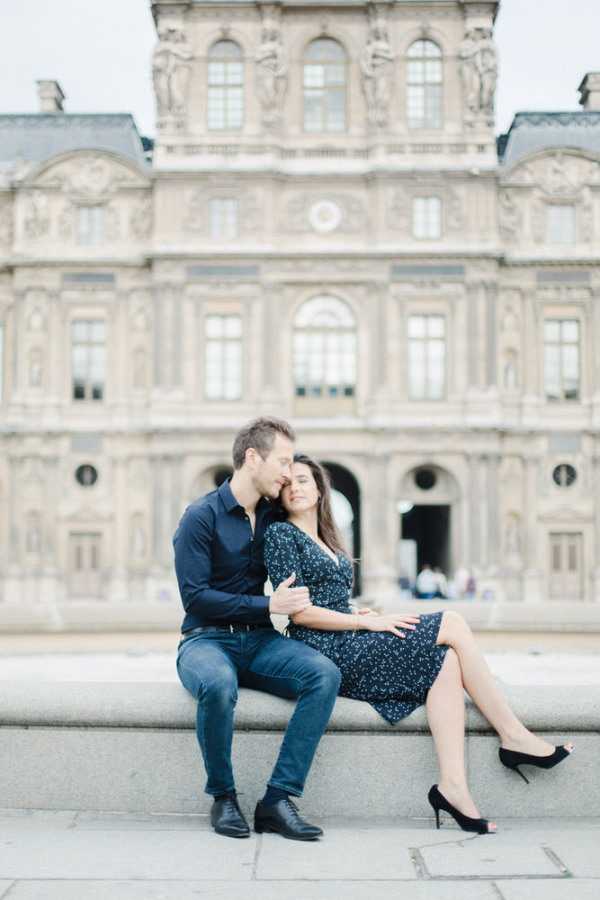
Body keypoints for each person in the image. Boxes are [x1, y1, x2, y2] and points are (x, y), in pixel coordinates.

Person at [264, 454, 574, 835]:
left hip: (346, 636)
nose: (295, 487)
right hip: (322, 650)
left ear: (319, 488)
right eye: (288, 483)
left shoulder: (326, 537)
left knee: (446, 663)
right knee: (452, 622)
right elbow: (300, 613)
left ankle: (453, 788)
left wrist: (361, 612)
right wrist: (367, 622)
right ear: (278, 494)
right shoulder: (280, 535)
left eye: (303, 480)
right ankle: (512, 736)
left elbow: (331, 600)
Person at [173, 419, 341, 841]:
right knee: (216, 685)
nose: (288, 473)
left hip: (261, 640)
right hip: (205, 640)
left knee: (324, 674)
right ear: (252, 458)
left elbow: (313, 554)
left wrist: (355, 612)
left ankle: (278, 799)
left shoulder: (272, 516)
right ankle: (223, 797)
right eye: (283, 462)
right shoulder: (199, 517)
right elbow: (195, 598)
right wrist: (268, 605)